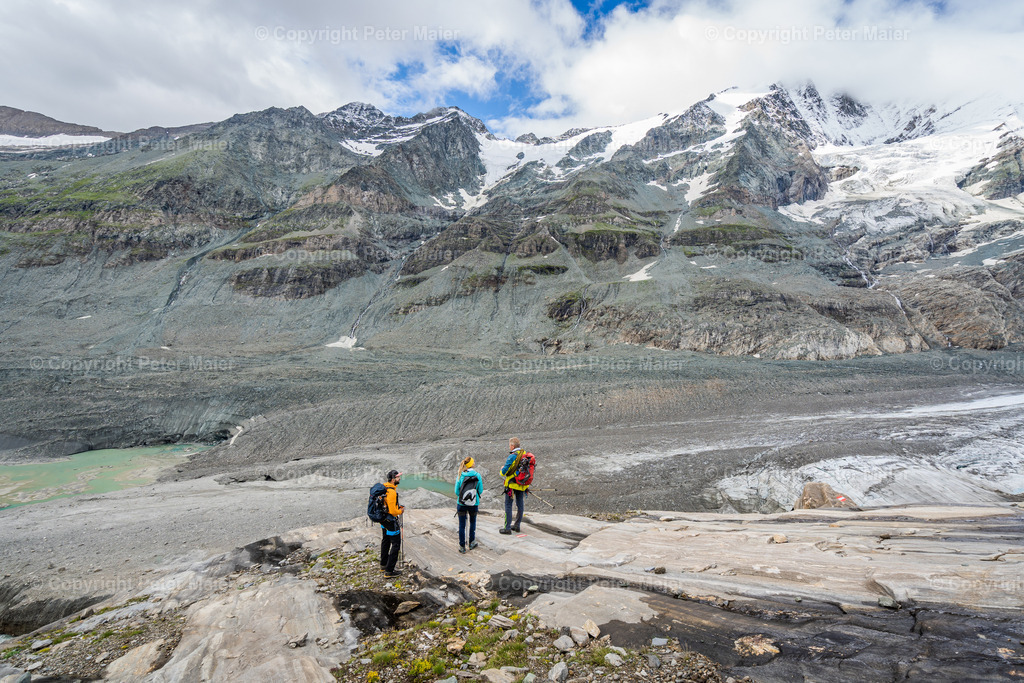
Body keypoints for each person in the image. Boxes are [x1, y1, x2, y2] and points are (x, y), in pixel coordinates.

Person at [499, 437, 531, 534]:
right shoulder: (525, 454)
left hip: (511, 485)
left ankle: (507, 528)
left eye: (509, 445)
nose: (509, 447)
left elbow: (503, 473)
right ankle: (517, 526)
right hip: (522, 484)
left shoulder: (512, 456)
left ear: (512, 446)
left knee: (508, 505)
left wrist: (502, 469)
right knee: (520, 504)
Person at [454, 456, 483, 553]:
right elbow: (480, 490)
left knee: (462, 525)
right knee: (473, 522)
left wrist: (463, 497)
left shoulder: (460, 475)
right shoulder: (477, 475)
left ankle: (462, 546)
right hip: (473, 503)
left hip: (461, 503)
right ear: (471, 464)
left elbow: (456, 492)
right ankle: (472, 543)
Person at [379, 469, 405, 576]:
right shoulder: (392, 492)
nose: (399, 479)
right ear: (393, 479)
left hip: (383, 520)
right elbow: (393, 511)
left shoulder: (385, 488)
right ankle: (389, 571)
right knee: (395, 544)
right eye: (398, 477)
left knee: (385, 541)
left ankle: (383, 565)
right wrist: (400, 511)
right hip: (390, 521)